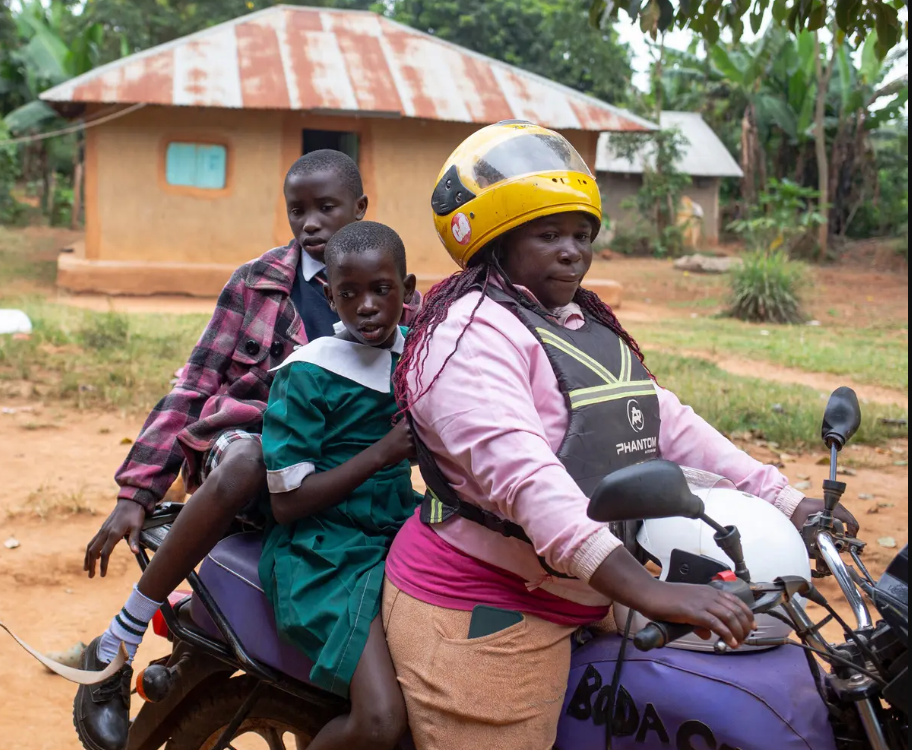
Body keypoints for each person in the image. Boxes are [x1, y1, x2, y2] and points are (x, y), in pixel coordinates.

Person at [380, 121, 859, 750]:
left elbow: (667, 422)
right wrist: (654, 593)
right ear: (495, 244)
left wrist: (787, 501)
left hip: (596, 580)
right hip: (487, 608)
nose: (571, 251)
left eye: (581, 235)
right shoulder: (466, 336)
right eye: (547, 234)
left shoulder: (577, 324)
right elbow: (529, 483)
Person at [74, 151, 419, 750]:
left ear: (361, 208)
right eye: (297, 211)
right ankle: (119, 641)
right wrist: (138, 490)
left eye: (326, 207)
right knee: (250, 457)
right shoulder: (257, 281)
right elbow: (195, 381)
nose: (310, 223)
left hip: (338, 480)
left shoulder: (387, 289)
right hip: (248, 444)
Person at [258, 220, 417, 749]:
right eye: (348, 294)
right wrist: (384, 453)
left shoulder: (418, 358)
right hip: (322, 554)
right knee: (379, 720)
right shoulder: (307, 373)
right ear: (328, 295)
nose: (366, 306)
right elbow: (287, 504)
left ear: (408, 289)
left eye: (382, 290)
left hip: (400, 532)